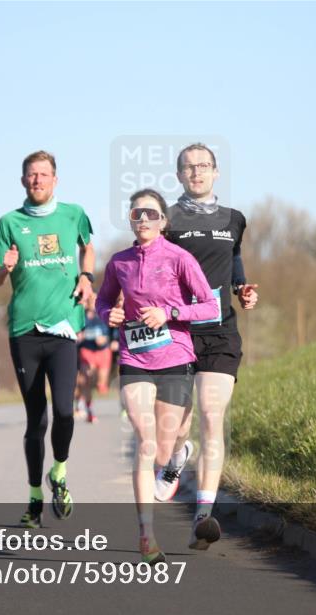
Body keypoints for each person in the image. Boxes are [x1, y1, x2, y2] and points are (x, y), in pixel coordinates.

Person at [96, 189, 217, 564]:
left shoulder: (180, 258)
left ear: (163, 221)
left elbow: (210, 306)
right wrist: (108, 316)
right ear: (131, 221)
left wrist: (169, 314)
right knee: (146, 442)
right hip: (134, 358)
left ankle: (179, 454)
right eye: (137, 214)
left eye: (151, 213)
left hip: (175, 356)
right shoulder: (119, 263)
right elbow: (103, 302)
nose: (143, 219)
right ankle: (146, 536)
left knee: (166, 448)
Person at [0, 150, 95, 528]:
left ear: (55, 180)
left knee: (65, 410)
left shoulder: (73, 214)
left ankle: (59, 473)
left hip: (63, 328)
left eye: (44, 174)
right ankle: (34, 499)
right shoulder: (8, 223)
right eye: (32, 175)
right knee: (37, 419)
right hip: (24, 332)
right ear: (22, 181)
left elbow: (89, 247)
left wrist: (87, 278)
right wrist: (5, 268)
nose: (38, 180)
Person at [159, 143, 259, 550]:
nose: (196, 172)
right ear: (179, 175)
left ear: (216, 172)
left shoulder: (234, 220)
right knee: (173, 430)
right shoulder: (167, 219)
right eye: (188, 167)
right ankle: (177, 455)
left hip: (220, 332)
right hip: (178, 332)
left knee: (212, 417)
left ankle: (203, 514)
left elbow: (233, 259)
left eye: (204, 166)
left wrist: (242, 289)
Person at [75, 296, 113, 423]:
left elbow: (114, 331)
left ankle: (85, 399)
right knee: (85, 379)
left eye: (94, 299)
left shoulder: (104, 314)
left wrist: (109, 340)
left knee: (101, 385)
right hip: (87, 351)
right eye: (89, 300)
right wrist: (79, 336)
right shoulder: (81, 316)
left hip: (103, 352)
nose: (92, 302)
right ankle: (88, 409)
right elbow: (76, 333)